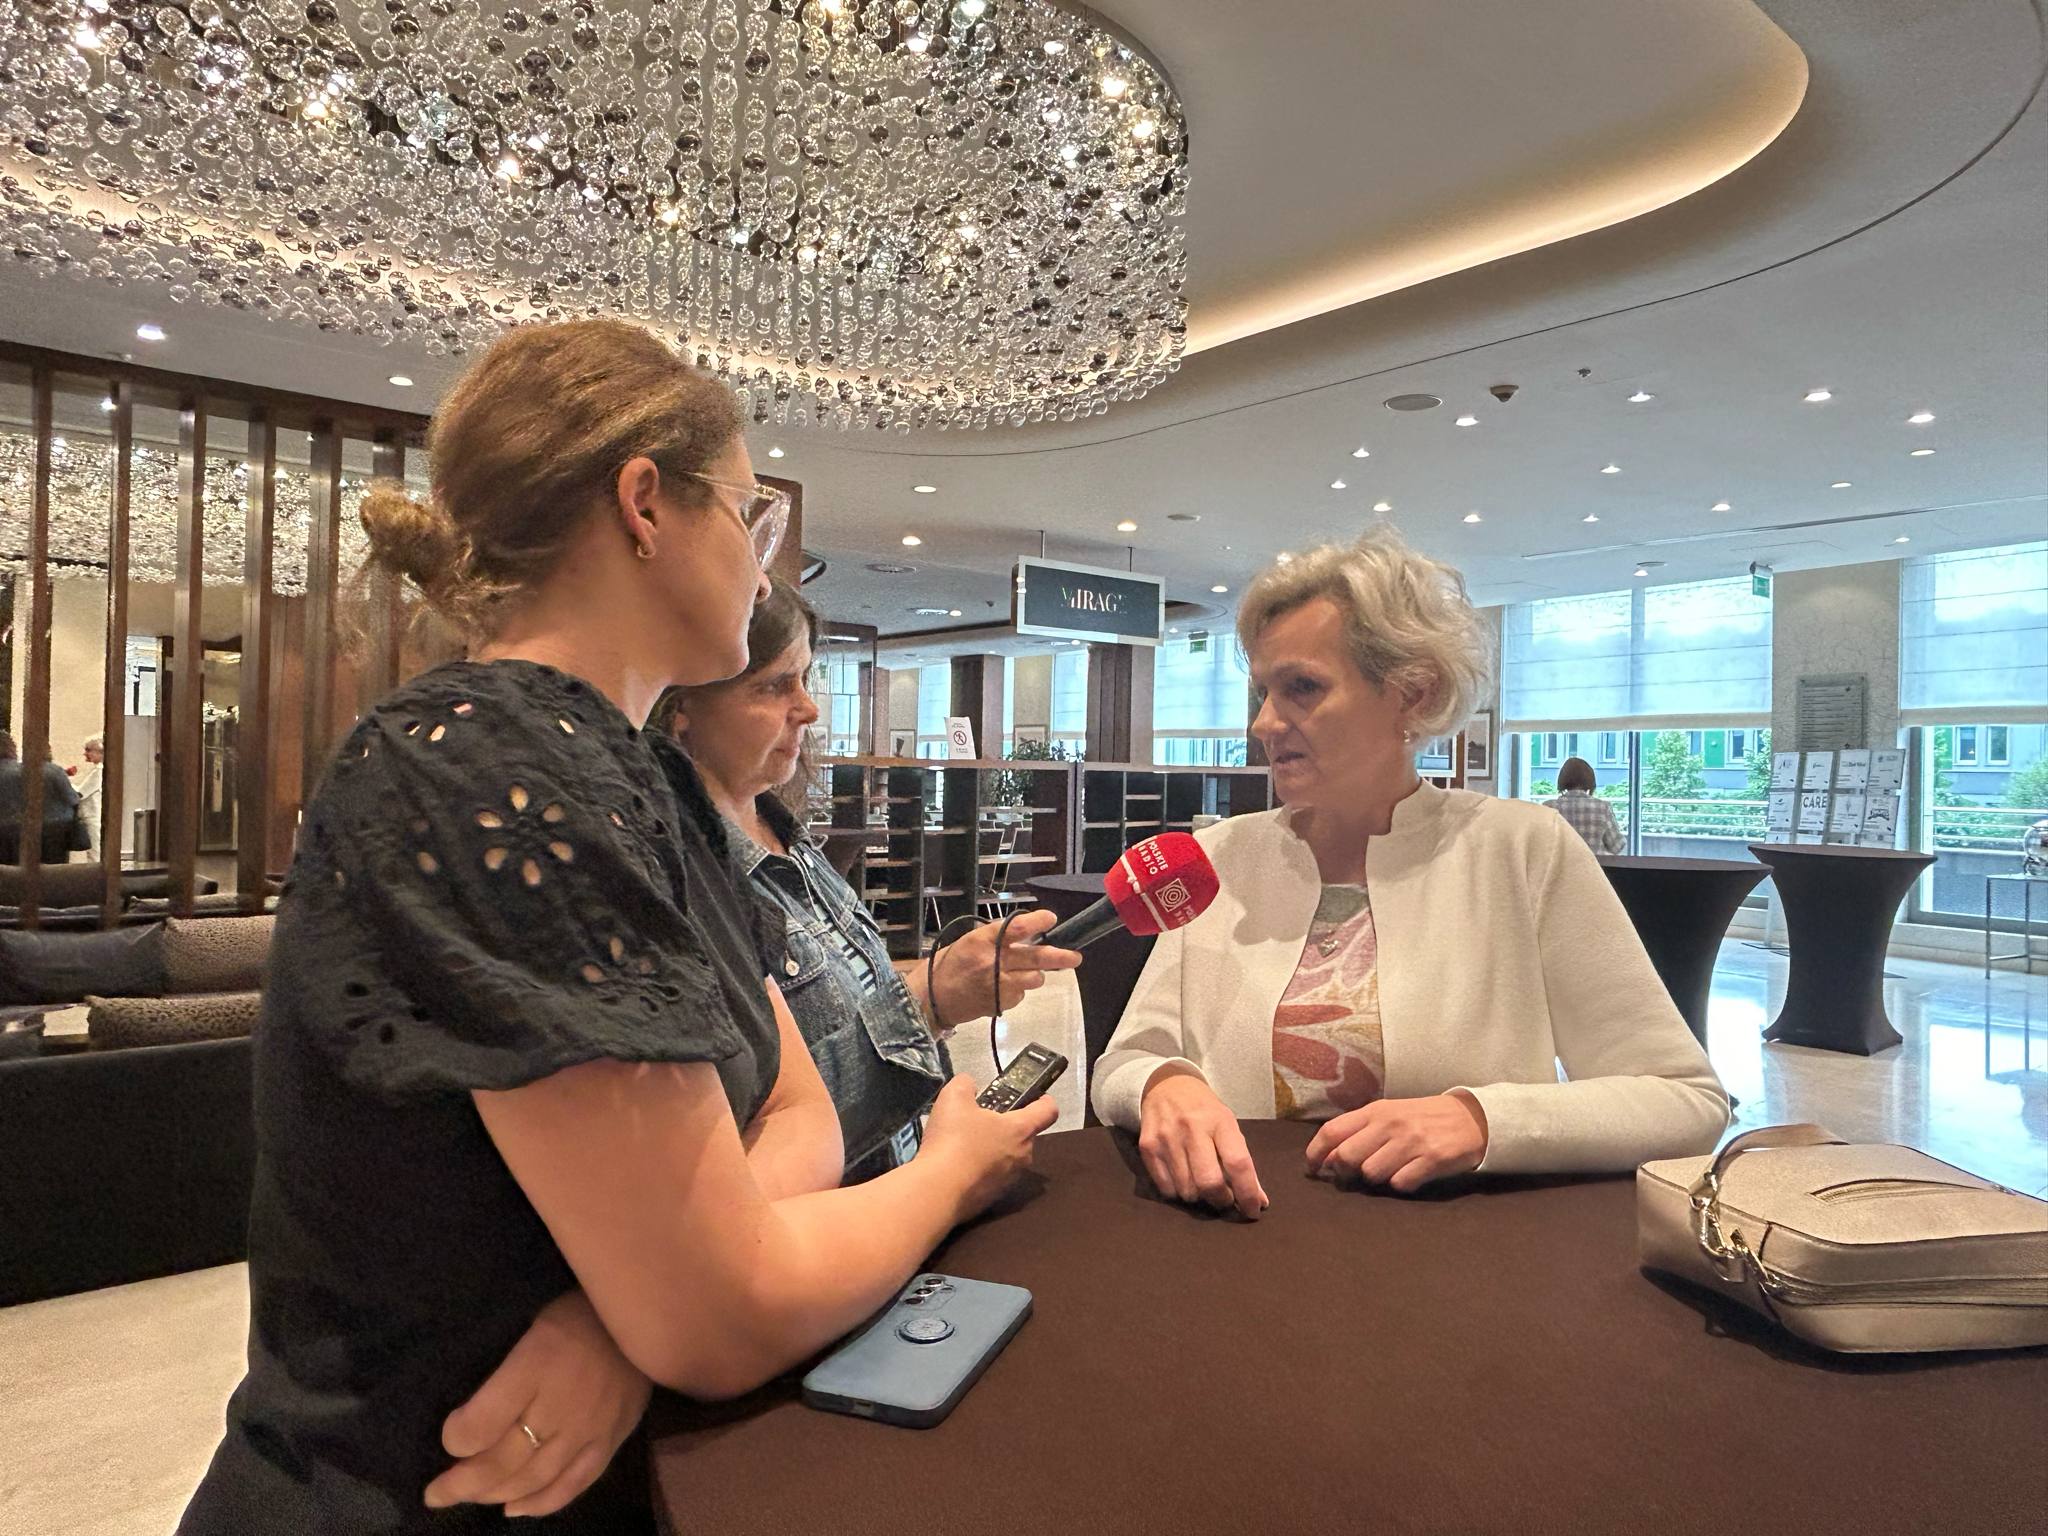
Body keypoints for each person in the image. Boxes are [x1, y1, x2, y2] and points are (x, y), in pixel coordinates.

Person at [178, 318, 1055, 1536]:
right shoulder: (489, 767)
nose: (762, 570)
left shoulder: (646, 782)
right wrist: (951, 1171)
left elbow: (790, 1109)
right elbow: (723, 1317)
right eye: (748, 517)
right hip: (406, 1493)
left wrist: (621, 1315)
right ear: (645, 505)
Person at [1091, 528, 1728, 1219]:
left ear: (1413, 695)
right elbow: (1127, 1059)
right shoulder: (1217, 857)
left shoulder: (1521, 850)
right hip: (1241, 1238)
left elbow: (1684, 1099)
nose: (1264, 723)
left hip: (1464, 1253)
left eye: (1301, 687)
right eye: (1263, 692)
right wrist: (1164, 1085)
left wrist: (1482, 1121)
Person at [661, 578, 1082, 1182]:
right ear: (683, 706)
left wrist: (939, 985)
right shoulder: (680, 881)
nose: (808, 708)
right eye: (775, 685)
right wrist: (928, 1002)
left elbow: (849, 1017)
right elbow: (755, 1145)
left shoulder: (794, 845)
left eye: (805, 679)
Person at [0, 730, 81, 864]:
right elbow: (73, 801)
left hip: (5, 840)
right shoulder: (52, 771)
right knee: (52, 875)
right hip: (51, 837)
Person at [1546, 756, 1623, 855]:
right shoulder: (1602, 807)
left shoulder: (1548, 808)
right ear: (1590, 780)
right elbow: (1616, 846)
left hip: (1558, 865)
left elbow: (1540, 845)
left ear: (1562, 780)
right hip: (1594, 864)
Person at [75, 733, 105, 861]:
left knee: (94, 855)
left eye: (89, 750)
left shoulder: (99, 771)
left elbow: (80, 794)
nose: (85, 754)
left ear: (100, 751)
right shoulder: (98, 770)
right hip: (91, 817)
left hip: (92, 818)